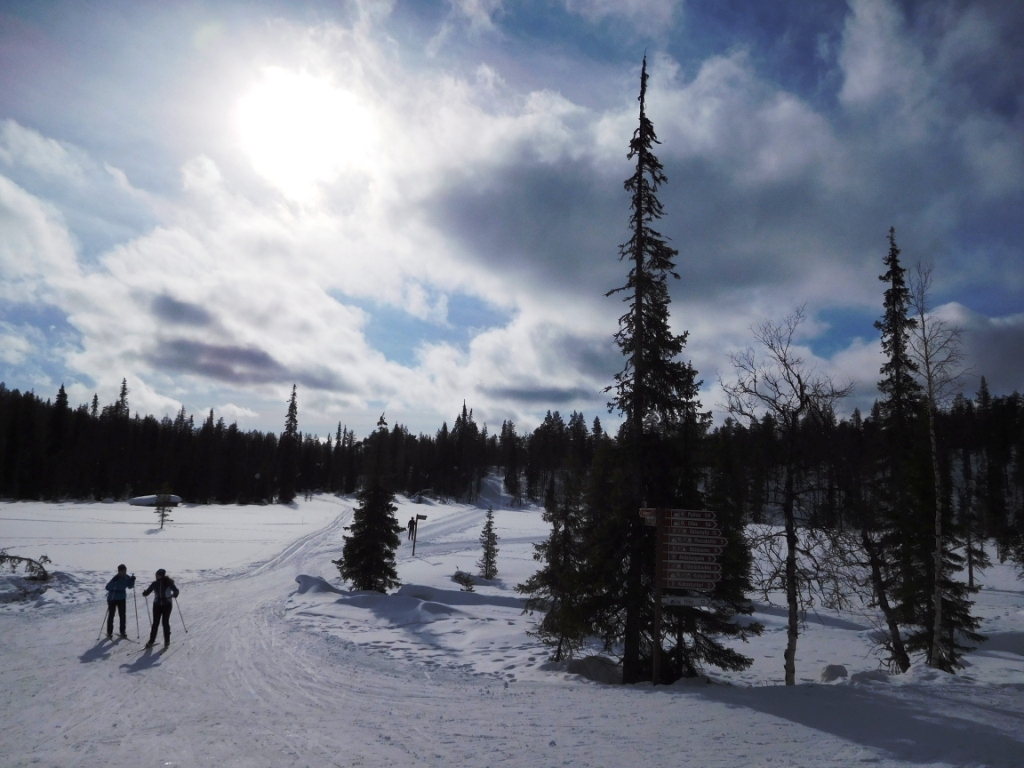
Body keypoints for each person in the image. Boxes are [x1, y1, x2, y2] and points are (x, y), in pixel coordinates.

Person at [142, 569, 179, 648]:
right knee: (155, 623)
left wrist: (175, 594)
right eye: (156, 574)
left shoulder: (168, 583)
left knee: (165, 622)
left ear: (162, 575)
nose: (157, 576)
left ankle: (167, 641)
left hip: (167, 605)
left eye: (158, 575)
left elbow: (176, 590)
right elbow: (148, 591)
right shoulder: (154, 584)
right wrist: (145, 593)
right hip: (157, 605)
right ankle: (151, 641)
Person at [104, 564, 136, 639]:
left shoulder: (126, 577)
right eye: (124, 571)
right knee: (111, 615)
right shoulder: (115, 578)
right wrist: (114, 585)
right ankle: (109, 632)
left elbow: (130, 586)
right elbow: (107, 587)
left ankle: (122, 631)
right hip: (112, 598)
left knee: (122, 615)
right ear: (119, 571)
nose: (125, 572)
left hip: (121, 598)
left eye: (125, 570)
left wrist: (132, 580)